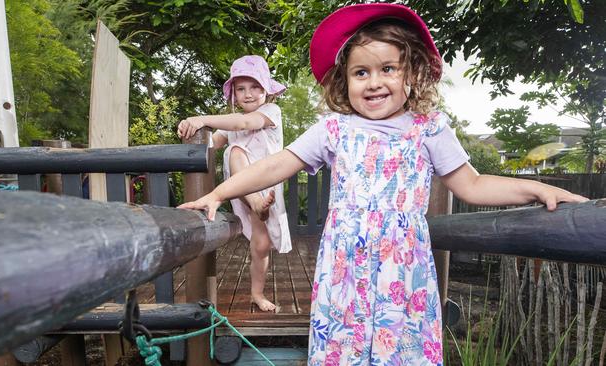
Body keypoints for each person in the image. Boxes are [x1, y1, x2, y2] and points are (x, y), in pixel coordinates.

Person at [179, 4, 588, 364]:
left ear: (411, 73)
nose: (374, 82)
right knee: (343, 345)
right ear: (345, 80)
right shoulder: (333, 129)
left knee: (402, 349)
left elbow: (472, 185)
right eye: (361, 72)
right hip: (345, 264)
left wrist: (537, 189)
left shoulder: (428, 129)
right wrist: (218, 192)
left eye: (388, 69)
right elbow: (275, 165)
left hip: (404, 268)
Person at [177, 55, 291, 312]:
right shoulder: (230, 127)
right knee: (236, 151)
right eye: (241, 88)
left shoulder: (271, 112)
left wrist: (202, 117)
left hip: (267, 185)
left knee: (261, 247)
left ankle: (257, 293)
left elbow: (244, 122)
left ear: (267, 91)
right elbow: (212, 144)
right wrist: (191, 127)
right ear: (234, 94)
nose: (248, 94)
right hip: (247, 194)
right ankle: (255, 203)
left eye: (255, 87)